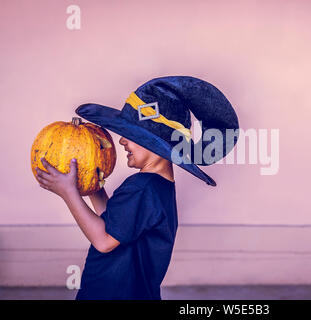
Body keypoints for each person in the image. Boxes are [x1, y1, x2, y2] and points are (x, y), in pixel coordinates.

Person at [34, 75, 239, 299]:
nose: (122, 141)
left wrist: (69, 193)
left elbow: (103, 241)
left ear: (154, 141)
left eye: (131, 135)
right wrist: (94, 188)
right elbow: (115, 224)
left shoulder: (142, 188)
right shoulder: (157, 187)